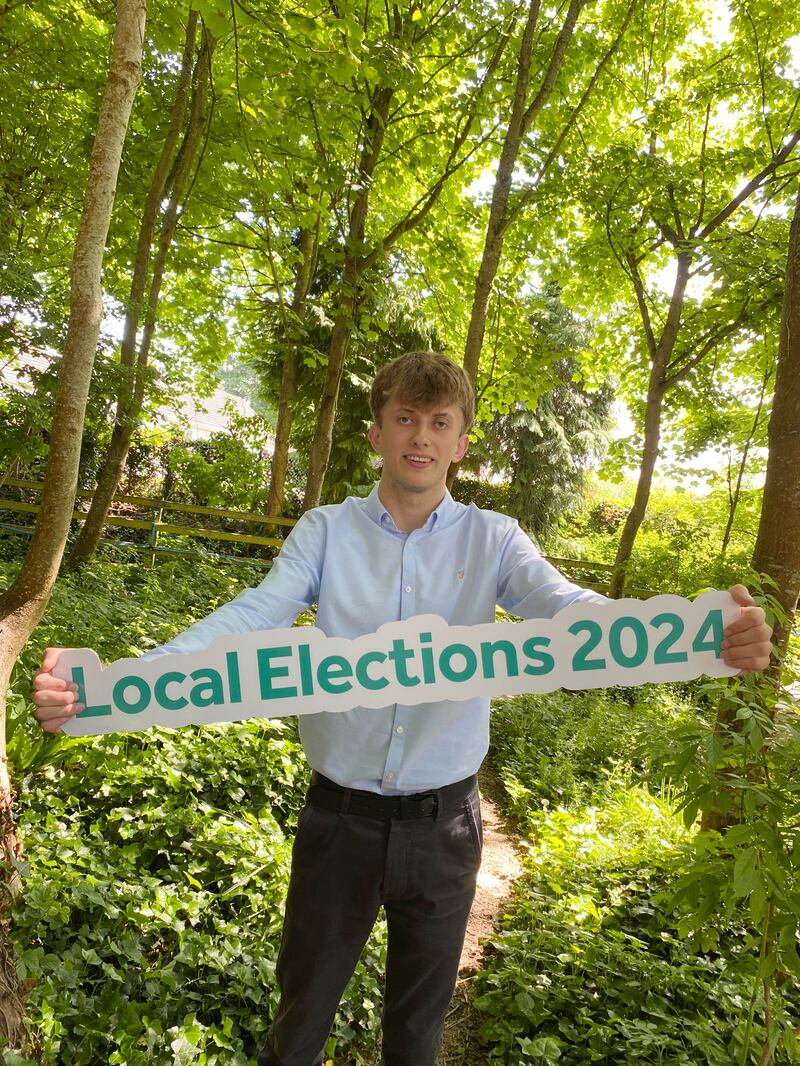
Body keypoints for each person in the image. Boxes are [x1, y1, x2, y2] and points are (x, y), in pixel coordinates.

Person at [32, 351, 773, 1066]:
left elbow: (567, 609)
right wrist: (124, 681)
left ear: (461, 443)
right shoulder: (325, 532)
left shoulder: (495, 538)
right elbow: (258, 611)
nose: (422, 435)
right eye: (406, 417)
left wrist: (694, 636)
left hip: (444, 829)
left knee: (415, 1042)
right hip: (337, 825)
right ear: (376, 432)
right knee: (297, 1030)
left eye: (440, 421)